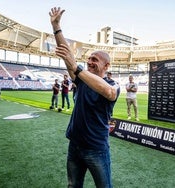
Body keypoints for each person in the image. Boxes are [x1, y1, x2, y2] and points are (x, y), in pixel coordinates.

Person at [49, 7, 120, 188]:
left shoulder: (113, 85)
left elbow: (108, 92)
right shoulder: (81, 79)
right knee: (73, 186)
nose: (89, 62)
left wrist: (77, 67)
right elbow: (67, 56)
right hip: (75, 145)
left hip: (96, 148)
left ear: (106, 66)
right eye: (88, 59)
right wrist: (56, 27)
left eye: (94, 60)